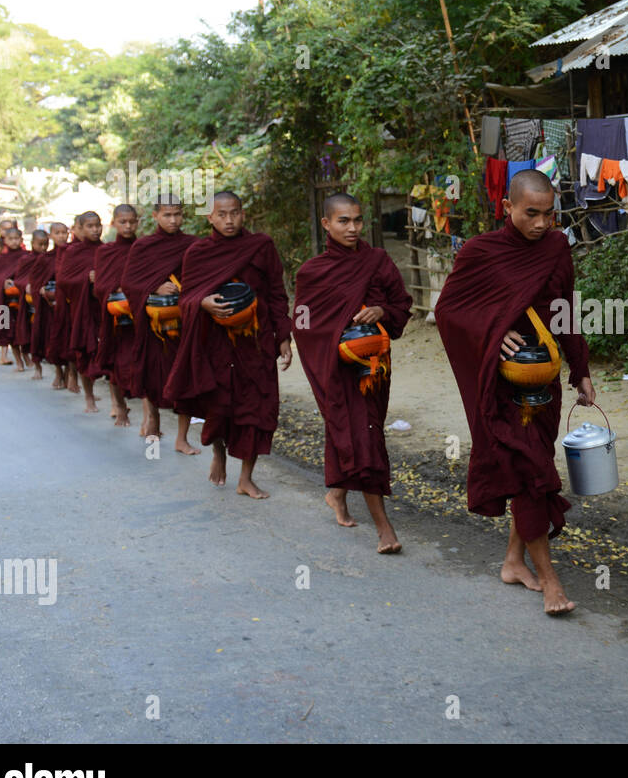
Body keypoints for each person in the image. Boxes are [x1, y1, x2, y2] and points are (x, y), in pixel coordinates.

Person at [435, 169, 595, 616]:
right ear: (507, 208)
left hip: (542, 382)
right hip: (500, 383)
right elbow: (449, 312)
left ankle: (512, 561)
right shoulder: (481, 252)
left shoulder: (557, 249)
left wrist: (580, 369)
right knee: (531, 473)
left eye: (549, 214)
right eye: (531, 214)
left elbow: (564, 309)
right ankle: (549, 581)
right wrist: (490, 330)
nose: (542, 223)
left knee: (532, 467)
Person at [294, 193, 413, 553]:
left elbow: (402, 305)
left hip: (373, 368)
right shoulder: (312, 272)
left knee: (358, 432)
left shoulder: (377, 260)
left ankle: (337, 493)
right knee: (364, 437)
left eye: (358, 220)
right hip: (337, 369)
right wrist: (335, 338)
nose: (352, 227)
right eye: (343, 221)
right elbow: (302, 322)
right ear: (326, 224)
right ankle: (384, 528)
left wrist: (380, 311)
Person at [164, 191, 293, 498]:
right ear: (210, 217)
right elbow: (187, 298)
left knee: (257, 408)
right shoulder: (198, 252)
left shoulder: (260, 246)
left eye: (234, 213)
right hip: (216, 343)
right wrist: (202, 303)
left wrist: (284, 337)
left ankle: (246, 478)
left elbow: (277, 293)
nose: (229, 220)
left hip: (255, 342)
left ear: (243, 214)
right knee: (219, 405)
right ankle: (219, 453)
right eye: (221, 215)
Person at [123, 197, 200, 452]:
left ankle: (182, 438)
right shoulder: (144, 247)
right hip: (154, 326)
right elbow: (129, 283)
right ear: (155, 216)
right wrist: (153, 285)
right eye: (167, 215)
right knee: (153, 375)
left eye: (177, 214)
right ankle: (153, 419)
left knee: (186, 378)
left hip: (185, 323)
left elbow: (203, 277)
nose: (173, 220)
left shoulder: (193, 245)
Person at [90, 205, 140, 425]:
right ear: (114, 224)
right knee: (117, 364)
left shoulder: (144, 248)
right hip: (115, 317)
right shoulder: (106, 251)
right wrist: (116, 288)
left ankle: (150, 417)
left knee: (144, 361)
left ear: (138, 222)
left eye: (131, 221)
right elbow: (99, 286)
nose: (127, 226)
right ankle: (120, 406)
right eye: (122, 222)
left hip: (142, 316)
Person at [57, 211, 104, 411]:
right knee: (85, 352)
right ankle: (89, 396)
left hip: (106, 309)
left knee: (110, 354)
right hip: (83, 310)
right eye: (90, 226)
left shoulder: (107, 250)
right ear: (81, 229)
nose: (95, 230)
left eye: (97, 225)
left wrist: (103, 278)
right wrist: (87, 278)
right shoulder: (73, 252)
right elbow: (64, 280)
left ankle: (118, 405)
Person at [16, 229, 53, 380]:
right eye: (40, 244)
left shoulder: (50, 259)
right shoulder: (26, 259)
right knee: (33, 335)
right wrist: (27, 285)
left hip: (46, 302)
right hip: (30, 305)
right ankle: (36, 367)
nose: (43, 248)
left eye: (46, 244)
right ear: (32, 244)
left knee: (45, 335)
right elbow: (20, 279)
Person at [0, 226, 26, 368]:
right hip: (4, 301)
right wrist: (2, 283)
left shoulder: (26, 256)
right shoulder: (1, 259)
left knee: (21, 329)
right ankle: (10, 358)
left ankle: (24, 358)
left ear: (21, 240)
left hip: (21, 299)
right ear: (5, 241)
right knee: (5, 328)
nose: (14, 242)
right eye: (11, 239)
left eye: (17, 238)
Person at [40, 222, 72, 389]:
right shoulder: (46, 258)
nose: (61, 236)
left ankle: (68, 374)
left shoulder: (72, 253)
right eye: (57, 233)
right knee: (54, 338)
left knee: (69, 338)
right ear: (50, 236)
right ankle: (59, 372)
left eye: (64, 233)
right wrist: (41, 288)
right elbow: (36, 278)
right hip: (50, 304)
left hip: (67, 303)